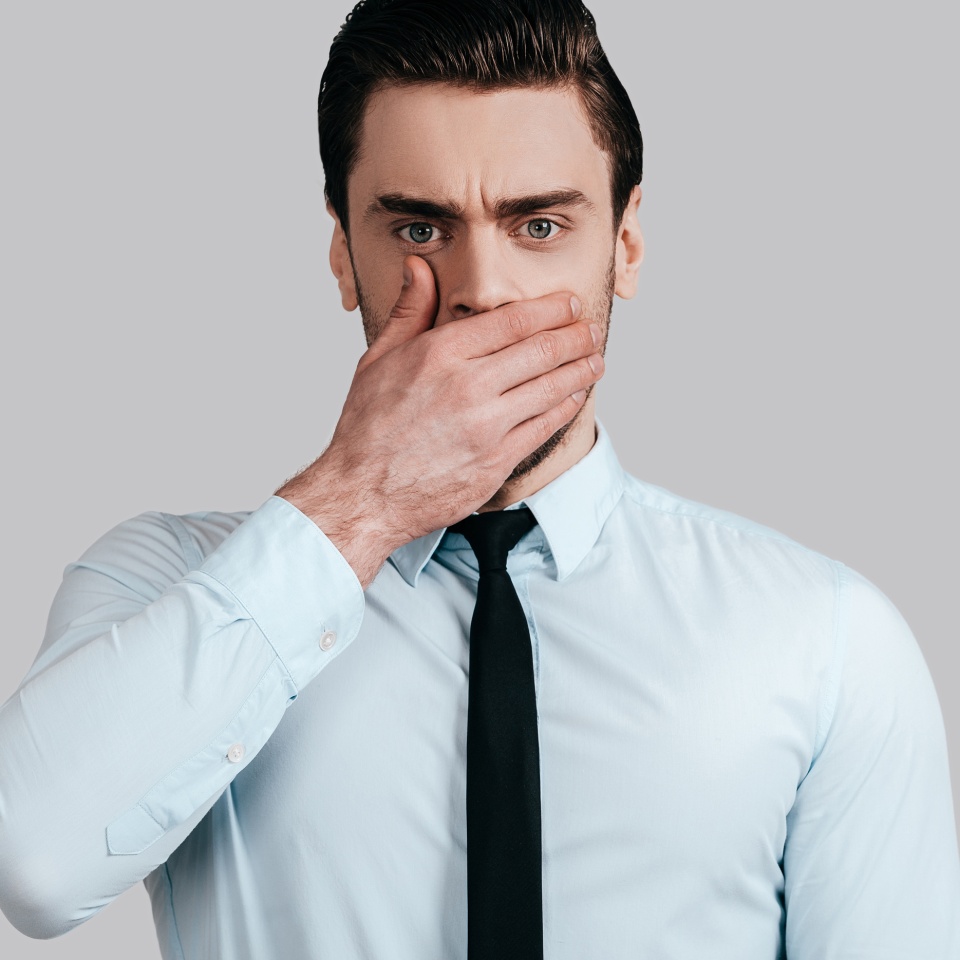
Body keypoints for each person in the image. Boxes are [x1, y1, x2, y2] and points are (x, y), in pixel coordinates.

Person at [1, 0, 958, 956]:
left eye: (538, 224)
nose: (481, 291)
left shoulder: (824, 639)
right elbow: (34, 868)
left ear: (625, 243)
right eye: (421, 229)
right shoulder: (167, 584)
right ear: (343, 253)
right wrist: (363, 497)